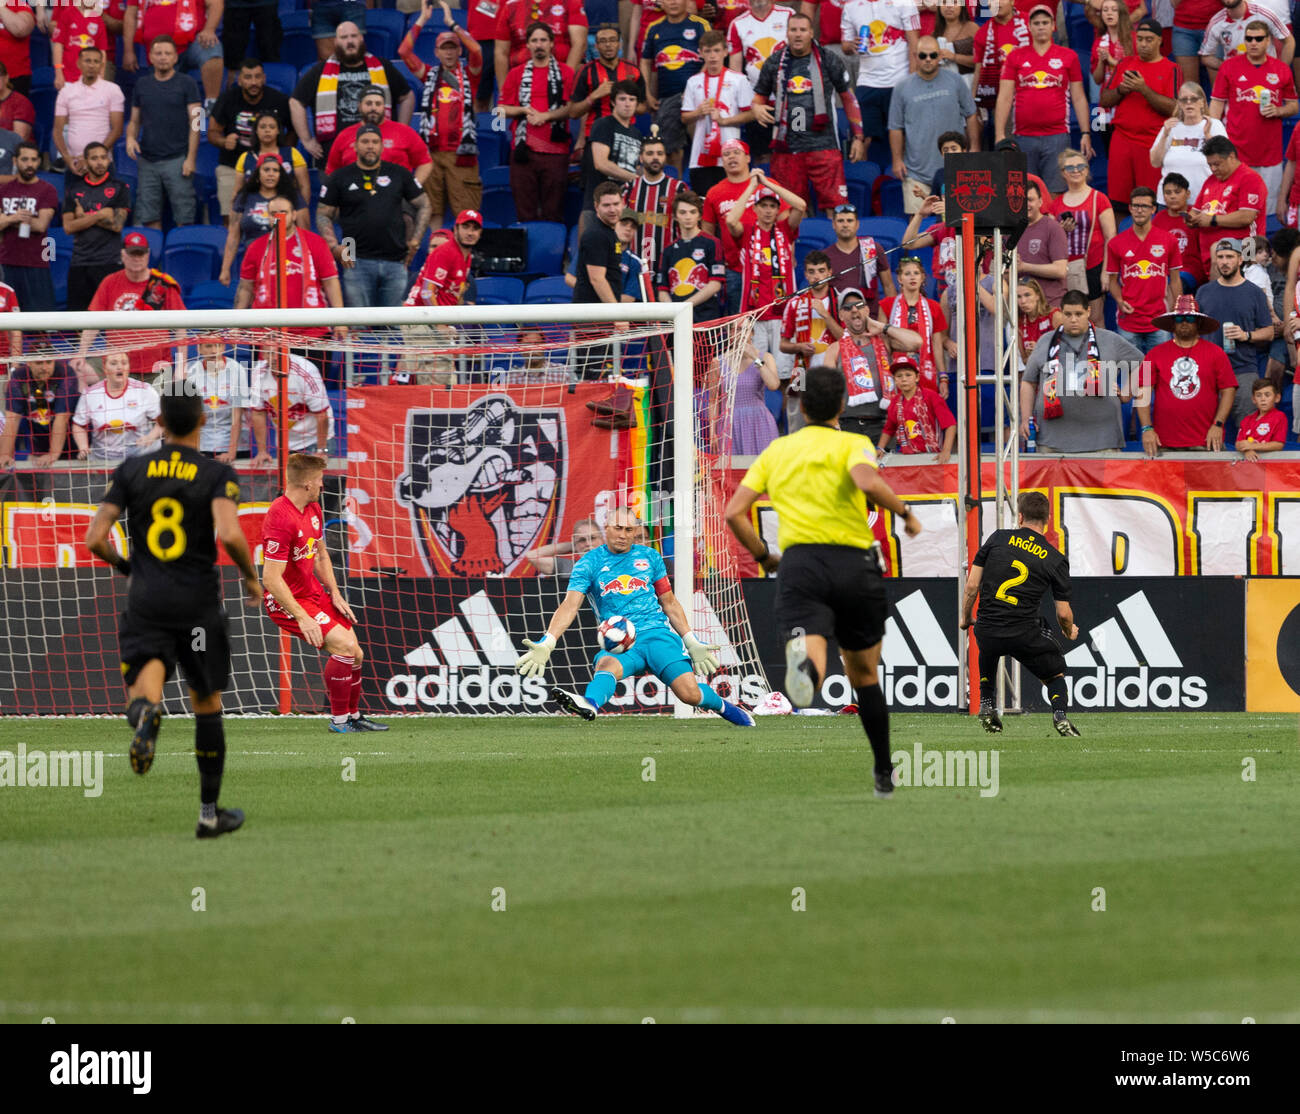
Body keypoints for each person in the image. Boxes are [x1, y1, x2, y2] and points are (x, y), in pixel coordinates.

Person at [724, 364, 924, 796]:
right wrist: (905, 513)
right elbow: (866, 480)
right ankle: (884, 772)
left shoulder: (777, 451)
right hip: (853, 564)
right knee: (864, 674)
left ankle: (806, 674)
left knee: (812, 654)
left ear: (797, 402)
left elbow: (733, 513)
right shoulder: (853, 443)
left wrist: (763, 555)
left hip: (800, 565)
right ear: (842, 404)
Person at [83, 388, 262, 837]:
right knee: (206, 703)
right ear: (202, 420)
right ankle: (208, 814)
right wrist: (250, 577)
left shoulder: (132, 469)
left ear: (159, 421)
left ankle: (146, 715)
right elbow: (230, 533)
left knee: (147, 682)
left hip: (148, 600)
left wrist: (128, 568)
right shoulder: (217, 472)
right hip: (198, 604)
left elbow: (94, 538)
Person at [517, 505, 753, 727]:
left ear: (636, 531)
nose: (623, 535)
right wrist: (548, 642)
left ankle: (728, 709)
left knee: (690, 694)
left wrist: (690, 640)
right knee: (606, 665)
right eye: (618, 528)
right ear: (606, 528)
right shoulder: (588, 564)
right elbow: (570, 606)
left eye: (629, 530)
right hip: (621, 640)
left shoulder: (650, 557)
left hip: (657, 636)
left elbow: (669, 602)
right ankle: (589, 703)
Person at [261, 452, 388, 734]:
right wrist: (303, 618)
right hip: (288, 601)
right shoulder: (280, 517)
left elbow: (320, 556)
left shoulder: (313, 509)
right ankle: (339, 722)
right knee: (343, 647)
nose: (323, 485)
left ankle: (353, 717)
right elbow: (270, 578)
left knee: (356, 653)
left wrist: (336, 593)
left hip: (314, 592)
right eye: (319, 480)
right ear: (307, 483)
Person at [959, 490, 1081, 739]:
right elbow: (1063, 613)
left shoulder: (997, 538)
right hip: (1024, 632)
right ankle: (1060, 715)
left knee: (989, 646)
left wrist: (965, 617)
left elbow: (971, 586)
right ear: (1047, 520)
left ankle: (986, 701)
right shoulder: (1055, 558)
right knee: (1054, 675)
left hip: (988, 627)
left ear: (1021, 516)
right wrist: (1069, 630)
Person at [752, 13, 866, 223]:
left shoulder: (828, 59)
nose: (798, 35)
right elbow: (758, 98)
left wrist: (858, 137)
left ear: (811, 32)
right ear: (786, 32)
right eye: (793, 30)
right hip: (787, 148)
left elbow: (848, 98)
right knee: (792, 209)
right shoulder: (774, 62)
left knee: (836, 208)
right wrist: (757, 108)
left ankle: (835, 254)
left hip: (824, 146)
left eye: (803, 30)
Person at [318, 123, 430, 307]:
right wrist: (334, 247)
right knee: (359, 326)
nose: (370, 146)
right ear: (355, 146)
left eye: (374, 142)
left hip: (395, 260)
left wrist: (416, 240)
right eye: (365, 141)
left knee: (392, 328)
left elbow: (424, 204)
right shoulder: (340, 176)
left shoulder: (399, 173)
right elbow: (323, 213)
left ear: (382, 146)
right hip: (354, 260)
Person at [1019, 289, 1144, 452]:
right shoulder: (1046, 341)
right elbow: (1028, 382)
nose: (1073, 320)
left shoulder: (1110, 339)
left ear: (1088, 312)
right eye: (1068, 314)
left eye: (1078, 314)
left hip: (1103, 439)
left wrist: (1127, 393)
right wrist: (1025, 418)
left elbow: (1142, 364)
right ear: (1061, 313)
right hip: (1052, 440)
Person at [400, 2, 483, 228]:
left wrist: (452, 23)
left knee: (465, 214)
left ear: (458, 50)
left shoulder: (470, 75)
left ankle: (464, 259)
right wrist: (422, 20)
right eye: (444, 48)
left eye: (452, 47)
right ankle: (436, 255)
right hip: (431, 154)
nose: (448, 52)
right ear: (436, 52)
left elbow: (476, 50)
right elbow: (403, 52)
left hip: (461, 155)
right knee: (433, 211)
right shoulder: (428, 76)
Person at [994, 5, 1093, 194]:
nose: (1041, 27)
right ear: (1029, 27)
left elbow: (1079, 97)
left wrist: (1086, 132)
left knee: (1055, 193)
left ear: (1053, 26)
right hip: (1023, 136)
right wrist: (1000, 134)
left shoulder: (1068, 56)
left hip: (1057, 135)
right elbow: (1005, 97)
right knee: (1024, 193)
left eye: (1045, 22)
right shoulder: (1015, 56)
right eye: (1036, 23)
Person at [291, 22, 415, 165]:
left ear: (361, 39)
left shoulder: (382, 67)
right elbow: (295, 101)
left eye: (353, 36)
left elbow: (407, 97)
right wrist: (306, 140)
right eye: (344, 37)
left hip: (381, 153)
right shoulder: (320, 71)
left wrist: (400, 132)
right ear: (336, 42)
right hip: (335, 157)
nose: (349, 41)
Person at [1209, 18, 1299, 215]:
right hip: (1236, 153)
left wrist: (1279, 111)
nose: (1253, 43)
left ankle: (1259, 247)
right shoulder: (1229, 67)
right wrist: (1211, 139)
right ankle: (1245, 247)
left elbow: (1293, 106)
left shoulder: (1281, 69)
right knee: (1239, 209)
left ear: (1268, 41)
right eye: (1249, 38)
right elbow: (1216, 103)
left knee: (1265, 211)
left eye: (1259, 39)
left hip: (1270, 154)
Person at [701, 138, 800, 314]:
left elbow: (785, 222)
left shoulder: (769, 185)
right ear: (721, 161)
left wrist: (789, 253)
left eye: (736, 153)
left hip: (773, 267)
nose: (731, 157)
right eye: (726, 154)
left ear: (748, 158)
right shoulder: (714, 193)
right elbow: (708, 235)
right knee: (739, 323)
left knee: (778, 318)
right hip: (735, 268)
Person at [726, 171, 807, 380]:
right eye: (764, 205)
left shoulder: (785, 229)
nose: (768, 210)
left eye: (773, 206)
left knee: (789, 376)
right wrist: (752, 186)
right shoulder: (746, 231)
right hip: (755, 315)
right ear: (755, 208)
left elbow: (801, 206)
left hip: (783, 314)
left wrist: (768, 184)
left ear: (778, 210)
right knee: (757, 373)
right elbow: (730, 219)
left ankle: (787, 413)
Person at [75, 233, 186, 384]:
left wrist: (181, 367)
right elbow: (93, 323)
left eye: (140, 253)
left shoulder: (162, 284)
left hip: (155, 369)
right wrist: (81, 353)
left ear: (147, 255)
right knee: (78, 370)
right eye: (132, 253)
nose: (137, 258)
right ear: (123, 255)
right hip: (116, 368)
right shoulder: (109, 282)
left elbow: (181, 328)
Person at [887, 33, 978, 216]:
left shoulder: (955, 81)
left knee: (955, 225)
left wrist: (974, 147)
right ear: (915, 56)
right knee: (918, 227)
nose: (928, 60)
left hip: (954, 170)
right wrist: (897, 160)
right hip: (916, 173)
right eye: (923, 55)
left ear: (940, 56)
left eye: (933, 55)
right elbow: (895, 127)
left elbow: (971, 114)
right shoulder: (902, 88)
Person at [1099, 16, 1179, 216]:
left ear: (1160, 40)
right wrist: (1121, 90)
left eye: (1149, 39)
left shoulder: (1172, 68)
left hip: (1151, 141)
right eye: (1140, 39)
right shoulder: (1125, 63)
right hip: (1122, 138)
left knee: (1150, 201)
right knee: (1118, 201)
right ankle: (1117, 244)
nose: (1143, 44)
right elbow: (1105, 100)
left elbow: (1174, 108)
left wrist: (1144, 89)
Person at [1138, 293, 1238, 453]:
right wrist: (1146, 428)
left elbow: (1229, 390)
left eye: (1190, 319)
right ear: (1172, 323)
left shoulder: (1216, 353)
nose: (1184, 322)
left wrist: (1218, 424)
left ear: (1198, 322)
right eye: (1179, 319)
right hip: (1164, 443)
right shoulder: (1154, 354)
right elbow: (1142, 392)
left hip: (1206, 441)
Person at [498, 21, 576, 224]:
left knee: (554, 212)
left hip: (556, 152)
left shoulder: (567, 72)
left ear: (552, 44)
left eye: (543, 40)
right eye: (534, 40)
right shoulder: (515, 74)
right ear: (528, 46)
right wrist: (523, 110)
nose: (539, 44)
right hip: (523, 152)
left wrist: (546, 116)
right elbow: (499, 110)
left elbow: (574, 109)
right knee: (525, 214)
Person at [821, 290, 921, 440]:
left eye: (859, 305)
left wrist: (882, 327)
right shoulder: (834, 348)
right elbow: (827, 391)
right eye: (848, 307)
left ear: (866, 310)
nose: (854, 310)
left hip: (884, 425)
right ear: (841, 315)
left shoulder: (884, 341)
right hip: (848, 425)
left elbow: (916, 342)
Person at [1194, 236, 1274, 421]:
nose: (1224, 262)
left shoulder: (1254, 292)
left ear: (1240, 259)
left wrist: (1246, 335)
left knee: (1247, 429)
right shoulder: (1203, 292)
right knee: (1206, 429)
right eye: (1220, 257)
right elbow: (1194, 331)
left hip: (1243, 369)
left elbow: (1269, 332)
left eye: (1229, 257)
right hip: (1208, 371)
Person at [125, 35, 200, 230]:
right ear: (150, 56)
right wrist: (130, 137)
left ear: (176, 57)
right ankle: (152, 260)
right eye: (158, 53)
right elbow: (134, 120)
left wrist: (191, 158)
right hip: (148, 160)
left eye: (168, 53)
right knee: (149, 218)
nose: (163, 57)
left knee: (185, 217)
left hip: (178, 159)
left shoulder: (188, 83)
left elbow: (197, 123)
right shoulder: (142, 84)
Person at [208, 58, 293, 224]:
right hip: (232, 165)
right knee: (231, 218)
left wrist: (283, 152)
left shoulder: (279, 100)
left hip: (270, 167)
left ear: (264, 78)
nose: (253, 82)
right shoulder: (227, 99)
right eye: (248, 77)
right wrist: (224, 141)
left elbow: (293, 131)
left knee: (274, 217)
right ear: (239, 80)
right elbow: (212, 132)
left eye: (257, 77)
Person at [841, 0, 920, 170]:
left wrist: (913, 81)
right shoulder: (851, 6)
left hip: (900, 80)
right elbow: (845, 45)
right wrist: (851, 45)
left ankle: (908, 184)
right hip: (867, 82)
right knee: (863, 138)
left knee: (904, 136)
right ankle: (865, 183)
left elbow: (914, 43)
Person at [1104, 185, 1181, 353]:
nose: (1139, 210)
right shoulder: (1117, 243)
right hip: (1129, 319)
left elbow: (1175, 279)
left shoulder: (1168, 240)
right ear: (1130, 208)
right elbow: (1112, 281)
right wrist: (1119, 301)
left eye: (1144, 206)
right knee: (1133, 372)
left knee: (1160, 369)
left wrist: (1177, 308)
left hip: (1159, 318)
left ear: (1153, 209)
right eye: (1135, 206)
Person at [639, 0, 710, 171]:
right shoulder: (654, 28)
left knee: (704, 147)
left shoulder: (701, 25)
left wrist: (694, 88)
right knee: (670, 150)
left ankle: (705, 191)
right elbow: (645, 62)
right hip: (666, 96)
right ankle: (675, 190)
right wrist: (647, 93)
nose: (673, 2)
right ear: (661, 3)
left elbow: (712, 56)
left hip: (699, 97)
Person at [61, 140, 131, 312]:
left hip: (110, 262)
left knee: (113, 320)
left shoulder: (120, 188)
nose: (100, 162)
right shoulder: (73, 189)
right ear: (85, 161)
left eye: (103, 157)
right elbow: (68, 227)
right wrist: (100, 214)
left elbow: (117, 225)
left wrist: (84, 217)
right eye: (94, 158)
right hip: (80, 262)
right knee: (77, 323)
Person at [681, 28, 752, 196]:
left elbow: (751, 114)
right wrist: (698, 112)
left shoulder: (738, 79)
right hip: (700, 157)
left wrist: (724, 121)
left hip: (730, 157)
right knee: (704, 205)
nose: (712, 56)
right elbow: (684, 117)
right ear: (700, 53)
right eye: (708, 51)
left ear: (726, 52)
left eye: (716, 51)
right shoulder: (693, 81)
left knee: (730, 206)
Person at [1049, 148, 1117, 324]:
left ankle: (1097, 352)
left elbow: (1111, 238)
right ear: (1063, 173)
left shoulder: (1099, 199)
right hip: (1065, 268)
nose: (1076, 170)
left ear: (1087, 169)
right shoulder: (1055, 204)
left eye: (1080, 166)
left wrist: (1105, 272)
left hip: (1093, 265)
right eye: (1070, 168)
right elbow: (1049, 239)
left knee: (1095, 318)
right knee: (1069, 319)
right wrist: (1061, 230)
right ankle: (1073, 353)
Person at [220, 153, 308, 286]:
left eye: (275, 170)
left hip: (288, 262)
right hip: (254, 262)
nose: (271, 174)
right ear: (258, 174)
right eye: (266, 170)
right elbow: (233, 237)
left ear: (281, 174)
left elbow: (304, 234)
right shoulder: (244, 197)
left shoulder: (293, 197)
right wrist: (225, 269)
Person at [1188, 135, 1267, 279]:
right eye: (1210, 165)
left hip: (1249, 247)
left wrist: (1212, 220)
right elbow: (1196, 210)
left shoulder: (1250, 178)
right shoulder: (1211, 181)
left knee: (1218, 248)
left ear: (1231, 156)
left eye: (1217, 164)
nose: (1213, 169)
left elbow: (1246, 216)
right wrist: (1191, 218)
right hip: (1211, 257)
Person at [323, 85, 432, 185]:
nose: (373, 108)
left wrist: (412, 189)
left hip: (397, 200)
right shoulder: (345, 135)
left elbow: (425, 162)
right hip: (354, 199)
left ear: (384, 107)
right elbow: (332, 170)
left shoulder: (403, 131)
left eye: (378, 104)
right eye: (368, 103)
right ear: (359, 106)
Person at [780, 251, 844, 419]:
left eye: (821, 271)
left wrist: (826, 315)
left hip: (833, 372)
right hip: (802, 371)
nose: (817, 276)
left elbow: (846, 340)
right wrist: (798, 346)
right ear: (806, 275)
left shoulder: (841, 300)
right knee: (798, 423)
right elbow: (783, 345)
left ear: (830, 272)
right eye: (812, 271)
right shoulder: (795, 303)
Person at [51, 46, 124, 187]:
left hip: (103, 163)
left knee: (105, 209)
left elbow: (117, 129)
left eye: (96, 62)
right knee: (72, 209)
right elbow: (57, 130)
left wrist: (92, 159)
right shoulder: (66, 92)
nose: (91, 65)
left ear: (102, 65)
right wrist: (67, 159)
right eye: (87, 61)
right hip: (75, 165)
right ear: (79, 63)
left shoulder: (113, 90)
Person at [71, 349, 163, 460]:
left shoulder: (145, 390)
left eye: (124, 363)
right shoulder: (90, 394)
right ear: (104, 368)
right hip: (103, 459)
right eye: (113, 363)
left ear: (129, 367)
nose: (120, 367)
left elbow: (164, 421)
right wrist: (83, 447)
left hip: (140, 458)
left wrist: (150, 437)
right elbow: (79, 425)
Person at [181, 338, 261, 463]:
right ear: (199, 349)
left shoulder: (237, 369)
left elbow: (237, 414)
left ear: (223, 348)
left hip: (235, 444)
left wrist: (231, 451)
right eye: (208, 346)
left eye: (217, 346)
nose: (213, 351)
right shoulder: (192, 372)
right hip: (204, 443)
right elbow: (192, 416)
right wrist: (195, 449)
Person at [879, 256, 949, 397]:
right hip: (897, 372)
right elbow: (883, 344)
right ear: (899, 279)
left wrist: (942, 377)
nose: (912, 277)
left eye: (916, 273)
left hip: (926, 372)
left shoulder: (933, 307)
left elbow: (937, 345)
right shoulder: (887, 304)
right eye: (907, 274)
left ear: (923, 277)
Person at [580, 81, 642, 233]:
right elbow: (601, 163)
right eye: (622, 99)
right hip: (597, 206)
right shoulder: (603, 124)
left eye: (632, 99)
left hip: (623, 208)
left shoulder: (637, 134)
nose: (627, 104)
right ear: (613, 102)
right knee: (591, 254)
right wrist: (634, 178)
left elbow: (638, 168)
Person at [1150, 82, 1226, 203]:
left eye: (1194, 99)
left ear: (1202, 102)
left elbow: (1225, 162)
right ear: (1179, 104)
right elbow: (1155, 162)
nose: (1189, 103)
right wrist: (1165, 135)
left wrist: (1208, 136)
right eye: (1184, 100)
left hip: (1204, 200)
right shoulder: (1171, 126)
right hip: (1170, 202)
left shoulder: (1214, 125)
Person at [571, 21, 645, 147]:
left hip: (626, 136)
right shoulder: (586, 71)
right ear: (596, 46)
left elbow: (643, 108)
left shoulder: (633, 70)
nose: (608, 45)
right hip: (595, 135)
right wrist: (593, 96)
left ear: (620, 44)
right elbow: (573, 113)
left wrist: (625, 102)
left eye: (612, 40)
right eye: (603, 41)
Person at [656, 189, 724, 318]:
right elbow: (662, 290)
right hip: (676, 318)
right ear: (675, 216)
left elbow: (715, 284)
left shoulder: (712, 243)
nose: (688, 217)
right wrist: (674, 311)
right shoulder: (668, 250)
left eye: (692, 212)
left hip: (706, 317)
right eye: (683, 212)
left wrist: (684, 307)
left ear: (699, 216)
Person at [621, 135, 681, 283]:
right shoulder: (630, 188)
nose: (655, 158)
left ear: (665, 158)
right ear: (641, 158)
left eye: (659, 154)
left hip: (668, 268)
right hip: (634, 270)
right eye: (650, 153)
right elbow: (619, 228)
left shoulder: (678, 188)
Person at [877, 353, 956, 462]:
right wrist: (880, 448)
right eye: (899, 376)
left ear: (917, 377)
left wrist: (946, 451)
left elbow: (950, 425)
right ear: (894, 380)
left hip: (933, 456)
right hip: (907, 457)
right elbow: (889, 429)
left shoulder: (931, 396)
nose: (904, 379)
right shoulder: (895, 402)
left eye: (908, 375)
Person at [494, 0, 587, 91]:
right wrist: (504, 91)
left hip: (562, 74)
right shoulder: (511, 6)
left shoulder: (570, 2)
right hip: (522, 79)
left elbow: (579, 44)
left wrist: (564, 80)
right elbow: (501, 52)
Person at [972, 0, 1028, 151]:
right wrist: (973, 102)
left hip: (1031, 94)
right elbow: (979, 71)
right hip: (1001, 101)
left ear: (1012, 1)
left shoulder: (1031, 22)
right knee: (1009, 150)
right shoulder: (982, 33)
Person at [0, 351, 71, 468]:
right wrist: (5, 455)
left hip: (68, 445)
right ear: (29, 363)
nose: (44, 367)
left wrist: (53, 453)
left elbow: (62, 417)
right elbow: (12, 420)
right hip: (37, 446)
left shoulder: (65, 374)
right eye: (39, 362)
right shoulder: (19, 379)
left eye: (48, 362)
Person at [1199, 0, 1293, 87]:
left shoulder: (1263, 14)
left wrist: (1280, 72)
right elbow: (1205, 56)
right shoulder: (1216, 23)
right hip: (1236, 83)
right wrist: (1228, 66)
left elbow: (1289, 41)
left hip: (1266, 79)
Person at [828, 201, 896, 316]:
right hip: (839, 321)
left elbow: (888, 286)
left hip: (870, 320)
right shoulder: (825, 256)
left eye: (849, 221)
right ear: (833, 224)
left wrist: (890, 321)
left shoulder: (873, 248)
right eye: (840, 221)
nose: (845, 225)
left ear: (857, 224)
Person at [232, 110, 311, 207]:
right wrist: (235, 216)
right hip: (254, 212)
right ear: (256, 130)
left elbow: (304, 186)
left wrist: (301, 211)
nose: (267, 130)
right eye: (262, 127)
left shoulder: (292, 153)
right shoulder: (245, 157)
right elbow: (237, 191)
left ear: (278, 130)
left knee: (277, 222)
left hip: (281, 213)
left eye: (272, 127)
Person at [405, 207, 482, 307]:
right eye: (465, 227)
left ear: (480, 233)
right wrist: (439, 322)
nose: (470, 233)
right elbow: (426, 293)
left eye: (475, 229)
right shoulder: (445, 252)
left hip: (440, 315)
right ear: (456, 229)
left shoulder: (466, 256)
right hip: (420, 315)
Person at [1017, 180, 1069, 310]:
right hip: (1022, 309)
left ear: (1040, 202)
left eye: (1030, 200)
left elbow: (1060, 270)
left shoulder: (1053, 228)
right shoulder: (1011, 232)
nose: (1026, 205)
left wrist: (1024, 267)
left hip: (1050, 306)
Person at [1090, 0, 1136, 142]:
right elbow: (1097, 80)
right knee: (1108, 148)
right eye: (1105, 10)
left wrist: (1112, 61)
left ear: (1121, 13)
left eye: (1113, 10)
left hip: (1131, 102)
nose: (1109, 13)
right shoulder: (1099, 41)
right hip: (1106, 105)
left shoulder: (1133, 39)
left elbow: (1135, 72)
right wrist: (1101, 62)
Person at [728, 340, 781, 455]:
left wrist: (755, 358)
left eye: (744, 329)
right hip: (731, 424)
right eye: (736, 329)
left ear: (751, 333)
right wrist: (713, 433)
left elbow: (773, 385)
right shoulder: (719, 360)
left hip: (758, 421)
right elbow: (713, 400)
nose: (740, 333)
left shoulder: (765, 357)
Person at [51, 0, 109, 92]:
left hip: (91, 79)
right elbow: (58, 45)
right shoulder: (67, 14)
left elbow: (102, 51)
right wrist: (58, 73)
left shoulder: (98, 19)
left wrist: (101, 75)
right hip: (68, 78)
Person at [220, 0, 281, 86]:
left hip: (267, 4)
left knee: (270, 50)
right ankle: (232, 91)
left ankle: (272, 89)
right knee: (232, 58)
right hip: (234, 5)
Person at [524, 517, 602, 575]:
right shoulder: (568, 567)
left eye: (593, 538)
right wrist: (572, 546)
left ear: (602, 541)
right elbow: (531, 556)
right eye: (582, 540)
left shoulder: (613, 563)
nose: (588, 543)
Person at [1236, 377, 1288, 457]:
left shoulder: (1279, 417)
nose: (1263, 399)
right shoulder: (1246, 420)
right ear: (1254, 399)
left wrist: (1252, 446)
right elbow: (1238, 443)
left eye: (1267, 395)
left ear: (1277, 398)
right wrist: (1247, 450)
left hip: (1270, 465)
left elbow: (1278, 445)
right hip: (1249, 465)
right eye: (1259, 395)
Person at [1016, 276, 1062, 360]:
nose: (1023, 301)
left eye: (1027, 295)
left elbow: (1069, 349)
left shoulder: (1055, 316)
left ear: (1038, 296)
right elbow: (1025, 360)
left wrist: (1042, 349)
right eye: (1018, 297)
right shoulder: (1019, 322)